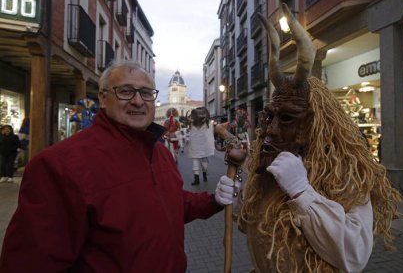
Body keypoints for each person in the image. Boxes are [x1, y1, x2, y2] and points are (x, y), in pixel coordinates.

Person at [0, 60, 235, 272]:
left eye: (145, 92)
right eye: (125, 91)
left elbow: (172, 204)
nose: (137, 100)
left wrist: (212, 200)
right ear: (103, 98)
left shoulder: (159, 152)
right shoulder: (58, 165)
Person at [229, 5, 401, 272]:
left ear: (316, 123)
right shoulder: (267, 171)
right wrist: (239, 188)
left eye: (286, 118)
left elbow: (354, 256)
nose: (271, 130)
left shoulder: (344, 174)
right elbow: (247, 224)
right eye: (270, 118)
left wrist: (303, 192)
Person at [188, 107, 215, 185]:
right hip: (195, 147)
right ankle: (196, 179)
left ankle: (204, 174)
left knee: (204, 164)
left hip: (203, 147)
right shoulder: (192, 124)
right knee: (195, 163)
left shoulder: (208, 124)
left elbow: (210, 134)